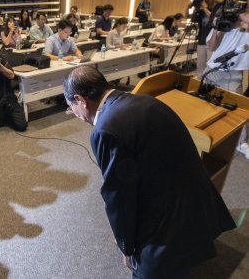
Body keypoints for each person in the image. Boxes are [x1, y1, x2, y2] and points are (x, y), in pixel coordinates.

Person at [62, 66, 236, 278]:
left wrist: (126, 247)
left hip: (165, 226)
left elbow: (119, 197)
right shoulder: (147, 100)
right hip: (197, 203)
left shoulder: (106, 129)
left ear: (80, 100)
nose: (76, 114)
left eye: (71, 108)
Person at [205, 0, 249, 159]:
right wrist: (216, 28)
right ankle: (205, 135)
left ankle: (241, 143)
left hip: (234, 73)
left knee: (237, 109)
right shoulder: (227, 19)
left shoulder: (243, 20)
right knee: (204, 103)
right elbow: (212, 47)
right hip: (213, 69)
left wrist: (235, 9)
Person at [187, 0, 220, 78]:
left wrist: (203, 7)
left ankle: (208, 85)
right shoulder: (201, 10)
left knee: (210, 67)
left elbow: (215, 19)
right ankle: (199, 84)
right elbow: (188, 17)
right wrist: (189, 6)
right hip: (201, 41)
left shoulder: (219, 8)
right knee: (200, 66)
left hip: (212, 43)